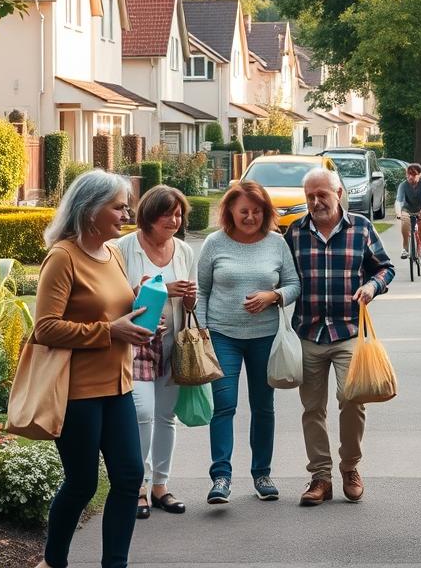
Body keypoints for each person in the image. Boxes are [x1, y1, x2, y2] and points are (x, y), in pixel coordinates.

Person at [33, 170, 152, 568]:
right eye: (118, 207)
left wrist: (139, 306)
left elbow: (112, 307)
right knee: (82, 483)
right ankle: (54, 561)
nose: (126, 214)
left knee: (129, 477)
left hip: (119, 386)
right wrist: (109, 330)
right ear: (90, 210)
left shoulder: (113, 253)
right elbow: (45, 328)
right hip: (78, 392)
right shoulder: (63, 257)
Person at [284, 168, 395, 506]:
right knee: (312, 409)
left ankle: (349, 467)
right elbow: (282, 274)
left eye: (322, 195)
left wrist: (372, 286)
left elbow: (385, 267)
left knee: (352, 399)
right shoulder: (295, 232)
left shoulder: (360, 227)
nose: (316, 202)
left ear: (339, 194)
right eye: (310, 196)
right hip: (308, 331)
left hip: (348, 330)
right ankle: (320, 477)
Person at [197, 181, 301, 505]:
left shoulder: (276, 243)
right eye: (244, 211)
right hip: (222, 335)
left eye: (257, 211)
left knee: (263, 406)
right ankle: (221, 477)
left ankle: (262, 474)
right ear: (230, 210)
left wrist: (274, 296)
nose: (251, 217)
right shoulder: (214, 243)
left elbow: (294, 284)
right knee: (224, 405)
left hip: (265, 337)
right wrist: (202, 332)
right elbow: (202, 290)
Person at [114, 185, 197, 520]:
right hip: (135, 345)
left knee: (166, 416)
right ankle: (138, 486)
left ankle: (161, 485)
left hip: (172, 343)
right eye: (168, 214)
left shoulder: (184, 251)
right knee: (143, 412)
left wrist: (189, 298)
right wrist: (158, 290)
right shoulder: (124, 248)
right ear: (149, 215)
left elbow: (191, 303)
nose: (174, 221)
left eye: (178, 214)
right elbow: (114, 298)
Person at [394, 162, 421, 263]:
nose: (410, 177)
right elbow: (398, 201)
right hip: (407, 209)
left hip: (420, 208)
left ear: (420, 175)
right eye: (408, 174)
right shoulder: (403, 185)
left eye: (414, 174)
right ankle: (405, 248)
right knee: (405, 223)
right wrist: (399, 214)